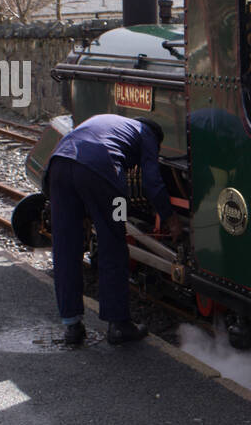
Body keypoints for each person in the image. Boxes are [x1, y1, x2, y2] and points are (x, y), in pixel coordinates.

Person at [45, 114, 181, 346]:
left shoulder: (108, 121)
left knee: (65, 248)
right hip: (101, 170)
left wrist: (81, 212)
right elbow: (151, 181)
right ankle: (119, 325)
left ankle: (72, 326)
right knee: (114, 244)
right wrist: (170, 218)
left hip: (58, 167)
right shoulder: (146, 132)